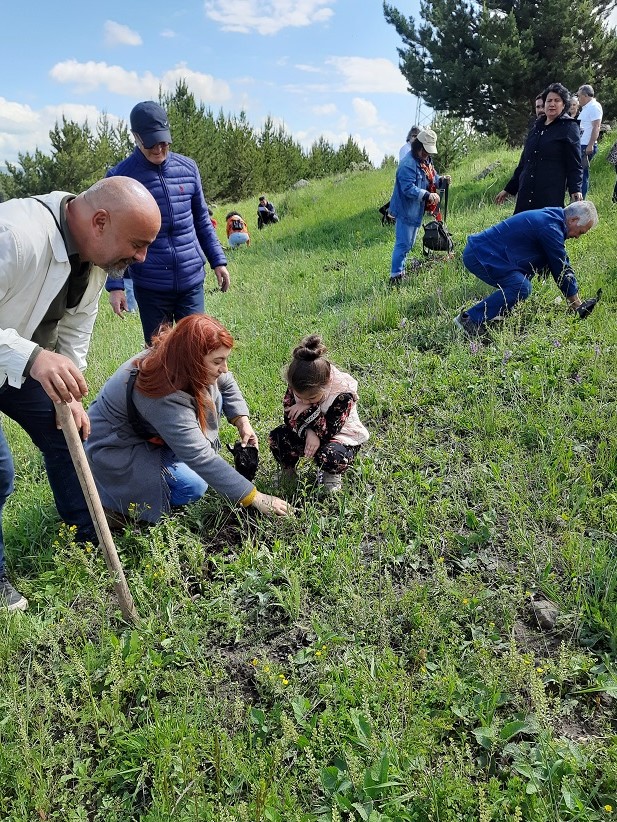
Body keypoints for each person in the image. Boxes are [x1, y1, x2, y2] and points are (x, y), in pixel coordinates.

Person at [0, 177, 161, 611]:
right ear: (101, 221)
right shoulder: (15, 237)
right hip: (17, 355)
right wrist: (33, 357)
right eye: (138, 243)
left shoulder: (93, 257)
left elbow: (74, 328)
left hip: (12, 360)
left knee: (67, 429)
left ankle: (86, 539)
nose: (142, 257)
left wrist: (69, 394)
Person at [85, 314, 291, 524]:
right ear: (192, 359)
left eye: (225, 359)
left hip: (151, 432)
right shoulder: (161, 394)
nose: (225, 368)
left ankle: (172, 461)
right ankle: (118, 508)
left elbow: (226, 382)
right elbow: (200, 456)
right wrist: (255, 497)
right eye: (218, 361)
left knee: (213, 395)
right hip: (118, 447)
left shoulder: (179, 357)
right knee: (192, 485)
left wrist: (242, 421)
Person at [105, 101, 231, 344]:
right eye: (151, 142)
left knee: (195, 348)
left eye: (164, 141)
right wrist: (116, 285)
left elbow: (202, 220)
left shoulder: (188, 168)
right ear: (136, 137)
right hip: (150, 284)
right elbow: (113, 236)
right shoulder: (119, 178)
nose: (159, 148)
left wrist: (218, 260)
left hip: (191, 279)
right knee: (159, 354)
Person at [454, 201, 600, 337]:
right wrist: (576, 304)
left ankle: (499, 312)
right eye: (580, 232)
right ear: (573, 220)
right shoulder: (550, 228)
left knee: (521, 282)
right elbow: (561, 266)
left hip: (486, 253)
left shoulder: (553, 219)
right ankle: (469, 320)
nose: (577, 237)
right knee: (521, 287)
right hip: (479, 255)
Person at [269, 335, 369, 494]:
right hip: (308, 431)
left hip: (340, 437)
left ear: (326, 384)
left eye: (312, 398)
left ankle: (331, 474)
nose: (303, 400)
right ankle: (288, 471)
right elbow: (289, 417)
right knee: (278, 436)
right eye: (299, 396)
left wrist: (307, 409)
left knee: (332, 455)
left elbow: (331, 430)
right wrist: (308, 432)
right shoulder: (298, 383)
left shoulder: (342, 394)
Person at [495, 83, 582, 213]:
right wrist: (509, 189)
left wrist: (575, 189)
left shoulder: (569, 127)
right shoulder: (535, 128)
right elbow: (524, 162)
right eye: (549, 101)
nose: (552, 104)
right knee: (521, 229)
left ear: (564, 105)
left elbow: (574, 163)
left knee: (543, 228)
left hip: (549, 193)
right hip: (526, 193)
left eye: (557, 100)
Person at [387, 127, 452, 285]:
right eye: (425, 151)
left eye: (429, 152)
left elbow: (432, 177)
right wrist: (428, 195)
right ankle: (395, 276)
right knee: (403, 244)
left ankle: (400, 272)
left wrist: (441, 180)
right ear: (418, 146)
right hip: (405, 209)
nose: (427, 155)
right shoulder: (407, 164)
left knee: (409, 244)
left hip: (417, 210)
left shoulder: (425, 160)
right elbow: (408, 189)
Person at [577, 84, 603, 199]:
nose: (578, 99)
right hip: (580, 144)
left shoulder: (594, 107)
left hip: (586, 146)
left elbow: (596, 126)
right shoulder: (586, 108)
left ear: (586, 96)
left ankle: (581, 201)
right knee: (578, 174)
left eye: (579, 96)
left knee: (582, 175)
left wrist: (591, 144)